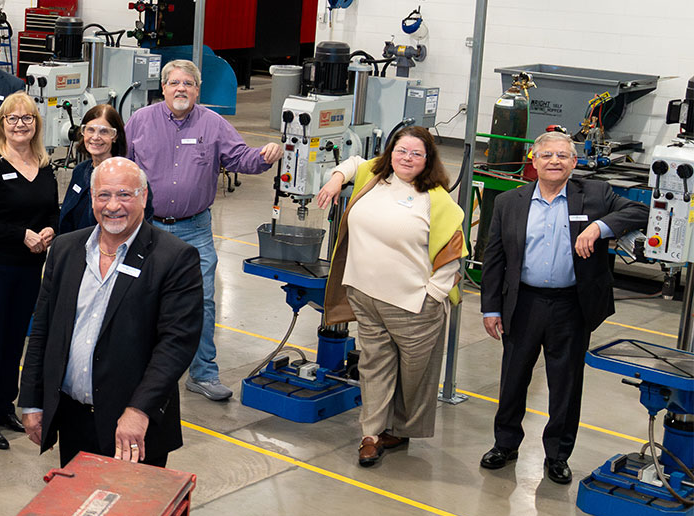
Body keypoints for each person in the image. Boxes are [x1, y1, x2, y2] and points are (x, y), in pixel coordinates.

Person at [478, 131, 645, 484]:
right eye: (547, 155)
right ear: (533, 161)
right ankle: (505, 444)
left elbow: (639, 210)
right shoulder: (510, 202)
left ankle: (557, 455)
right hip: (523, 302)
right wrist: (490, 307)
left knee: (566, 385)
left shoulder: (596, 195)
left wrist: (600, 227)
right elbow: (494, 258)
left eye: (563, 156)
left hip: (572, 306)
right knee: (512, 379)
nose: (555, 161)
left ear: (574, 162)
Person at [19, 157, 203, 468]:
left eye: (124, 195)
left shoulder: (175, 258)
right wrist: (33, 400)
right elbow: (43, 330)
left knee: (131, 515)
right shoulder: (65, 250)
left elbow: (176, 345)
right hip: (73, 418)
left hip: (132, 427)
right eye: (104, 195)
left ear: (143, 197)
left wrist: (139, 410)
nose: (113, 205)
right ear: (91, 198)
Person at [125, 59, 284, 403]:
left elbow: (242, 158)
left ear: (198, 90)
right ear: (163, 87)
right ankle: (138, 369)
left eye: (188, 83)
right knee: (139, 300)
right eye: (174, 83)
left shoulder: (213, 124)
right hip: (146, 229)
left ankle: (203, 373)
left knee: (202, 302)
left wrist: (266, 155)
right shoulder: (140, 121)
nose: (181, 88)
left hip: (195, 230)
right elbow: (121, 165)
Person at [312, 126, 465, 468]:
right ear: (389, 153)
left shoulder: (438, 199)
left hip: (413, 306)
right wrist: (336, 179)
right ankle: (371, 435)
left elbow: (452, 255)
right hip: (364, 295)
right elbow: (352, 162)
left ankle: (400, 428)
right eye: (401, 151)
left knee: (415, 375)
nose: (407, 158)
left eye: (416, 154)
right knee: (373, 366)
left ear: (428, 160)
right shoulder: (373, 176)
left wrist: (433, 295)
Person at [0, 92, 61, 451]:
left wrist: (52, 230)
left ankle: (5, 407)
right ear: (1, 124)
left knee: (15, 339)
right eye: (12, 119)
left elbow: (51, 211)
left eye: (27, 118)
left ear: (36, 123)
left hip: (29, 266)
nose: (20, 125)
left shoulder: (45, 164)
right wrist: (20, 234)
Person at [59, 104, 127, 235]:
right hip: (76, 249)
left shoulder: (127, 177)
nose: (95, 137)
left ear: (115, 136)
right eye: (90, 130)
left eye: (104, 131)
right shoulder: (81, 171)